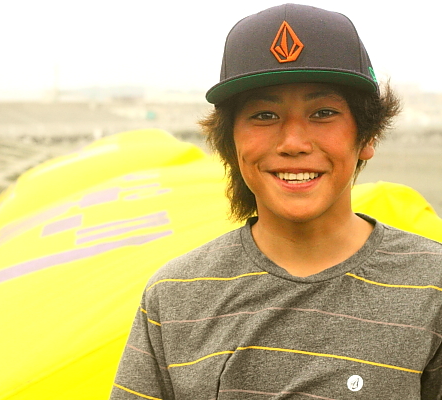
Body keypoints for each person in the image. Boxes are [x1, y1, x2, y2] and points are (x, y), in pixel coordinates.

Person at [111, 4, 442, 399]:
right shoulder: (174, 296)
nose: (293, 143)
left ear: (368, 135)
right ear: (230, 142)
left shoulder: (432, 286)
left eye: (323, 113)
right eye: (264, 115)